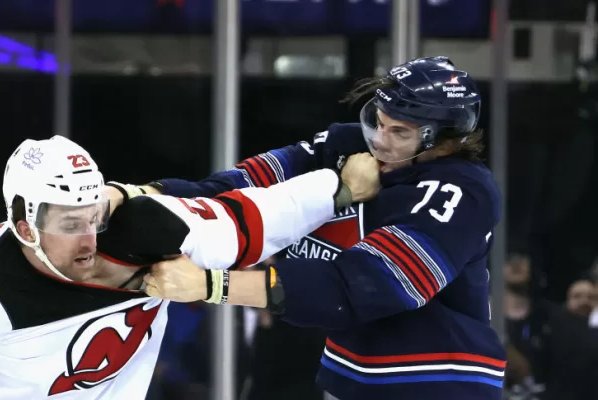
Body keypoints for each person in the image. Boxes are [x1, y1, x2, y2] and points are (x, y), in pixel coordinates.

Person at [0, 135, 381, 400]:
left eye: (93, 217)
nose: (87, 239)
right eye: (66, 223)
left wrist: (342, 188)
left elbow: (258, 212)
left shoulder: (160, 235)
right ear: (23, 223)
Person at [139, 56, 508, 400]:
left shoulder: (460, 190)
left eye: (400, 132)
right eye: (378, 122)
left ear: (443, 140)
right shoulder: (347, 145)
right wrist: (145, 194)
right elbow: (245, 184)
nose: (380, 140)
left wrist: (212, 284)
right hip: (354, 377)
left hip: (438, 380)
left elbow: (366, 286)